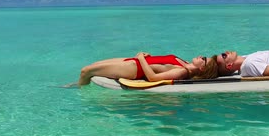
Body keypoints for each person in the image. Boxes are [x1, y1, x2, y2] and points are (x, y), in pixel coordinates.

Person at [76, 52, 218, 86]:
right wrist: (147, 56)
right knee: (91, 67)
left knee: (86, 71)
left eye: (204, 60)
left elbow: (152, 78)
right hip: (133, 61)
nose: (201, 56)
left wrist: (141, 59)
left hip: (132, 69)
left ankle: (80, 90)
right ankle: (80, 84)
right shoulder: (185, 63)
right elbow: (162, 62)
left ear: (202, 69)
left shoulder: (182, 71)